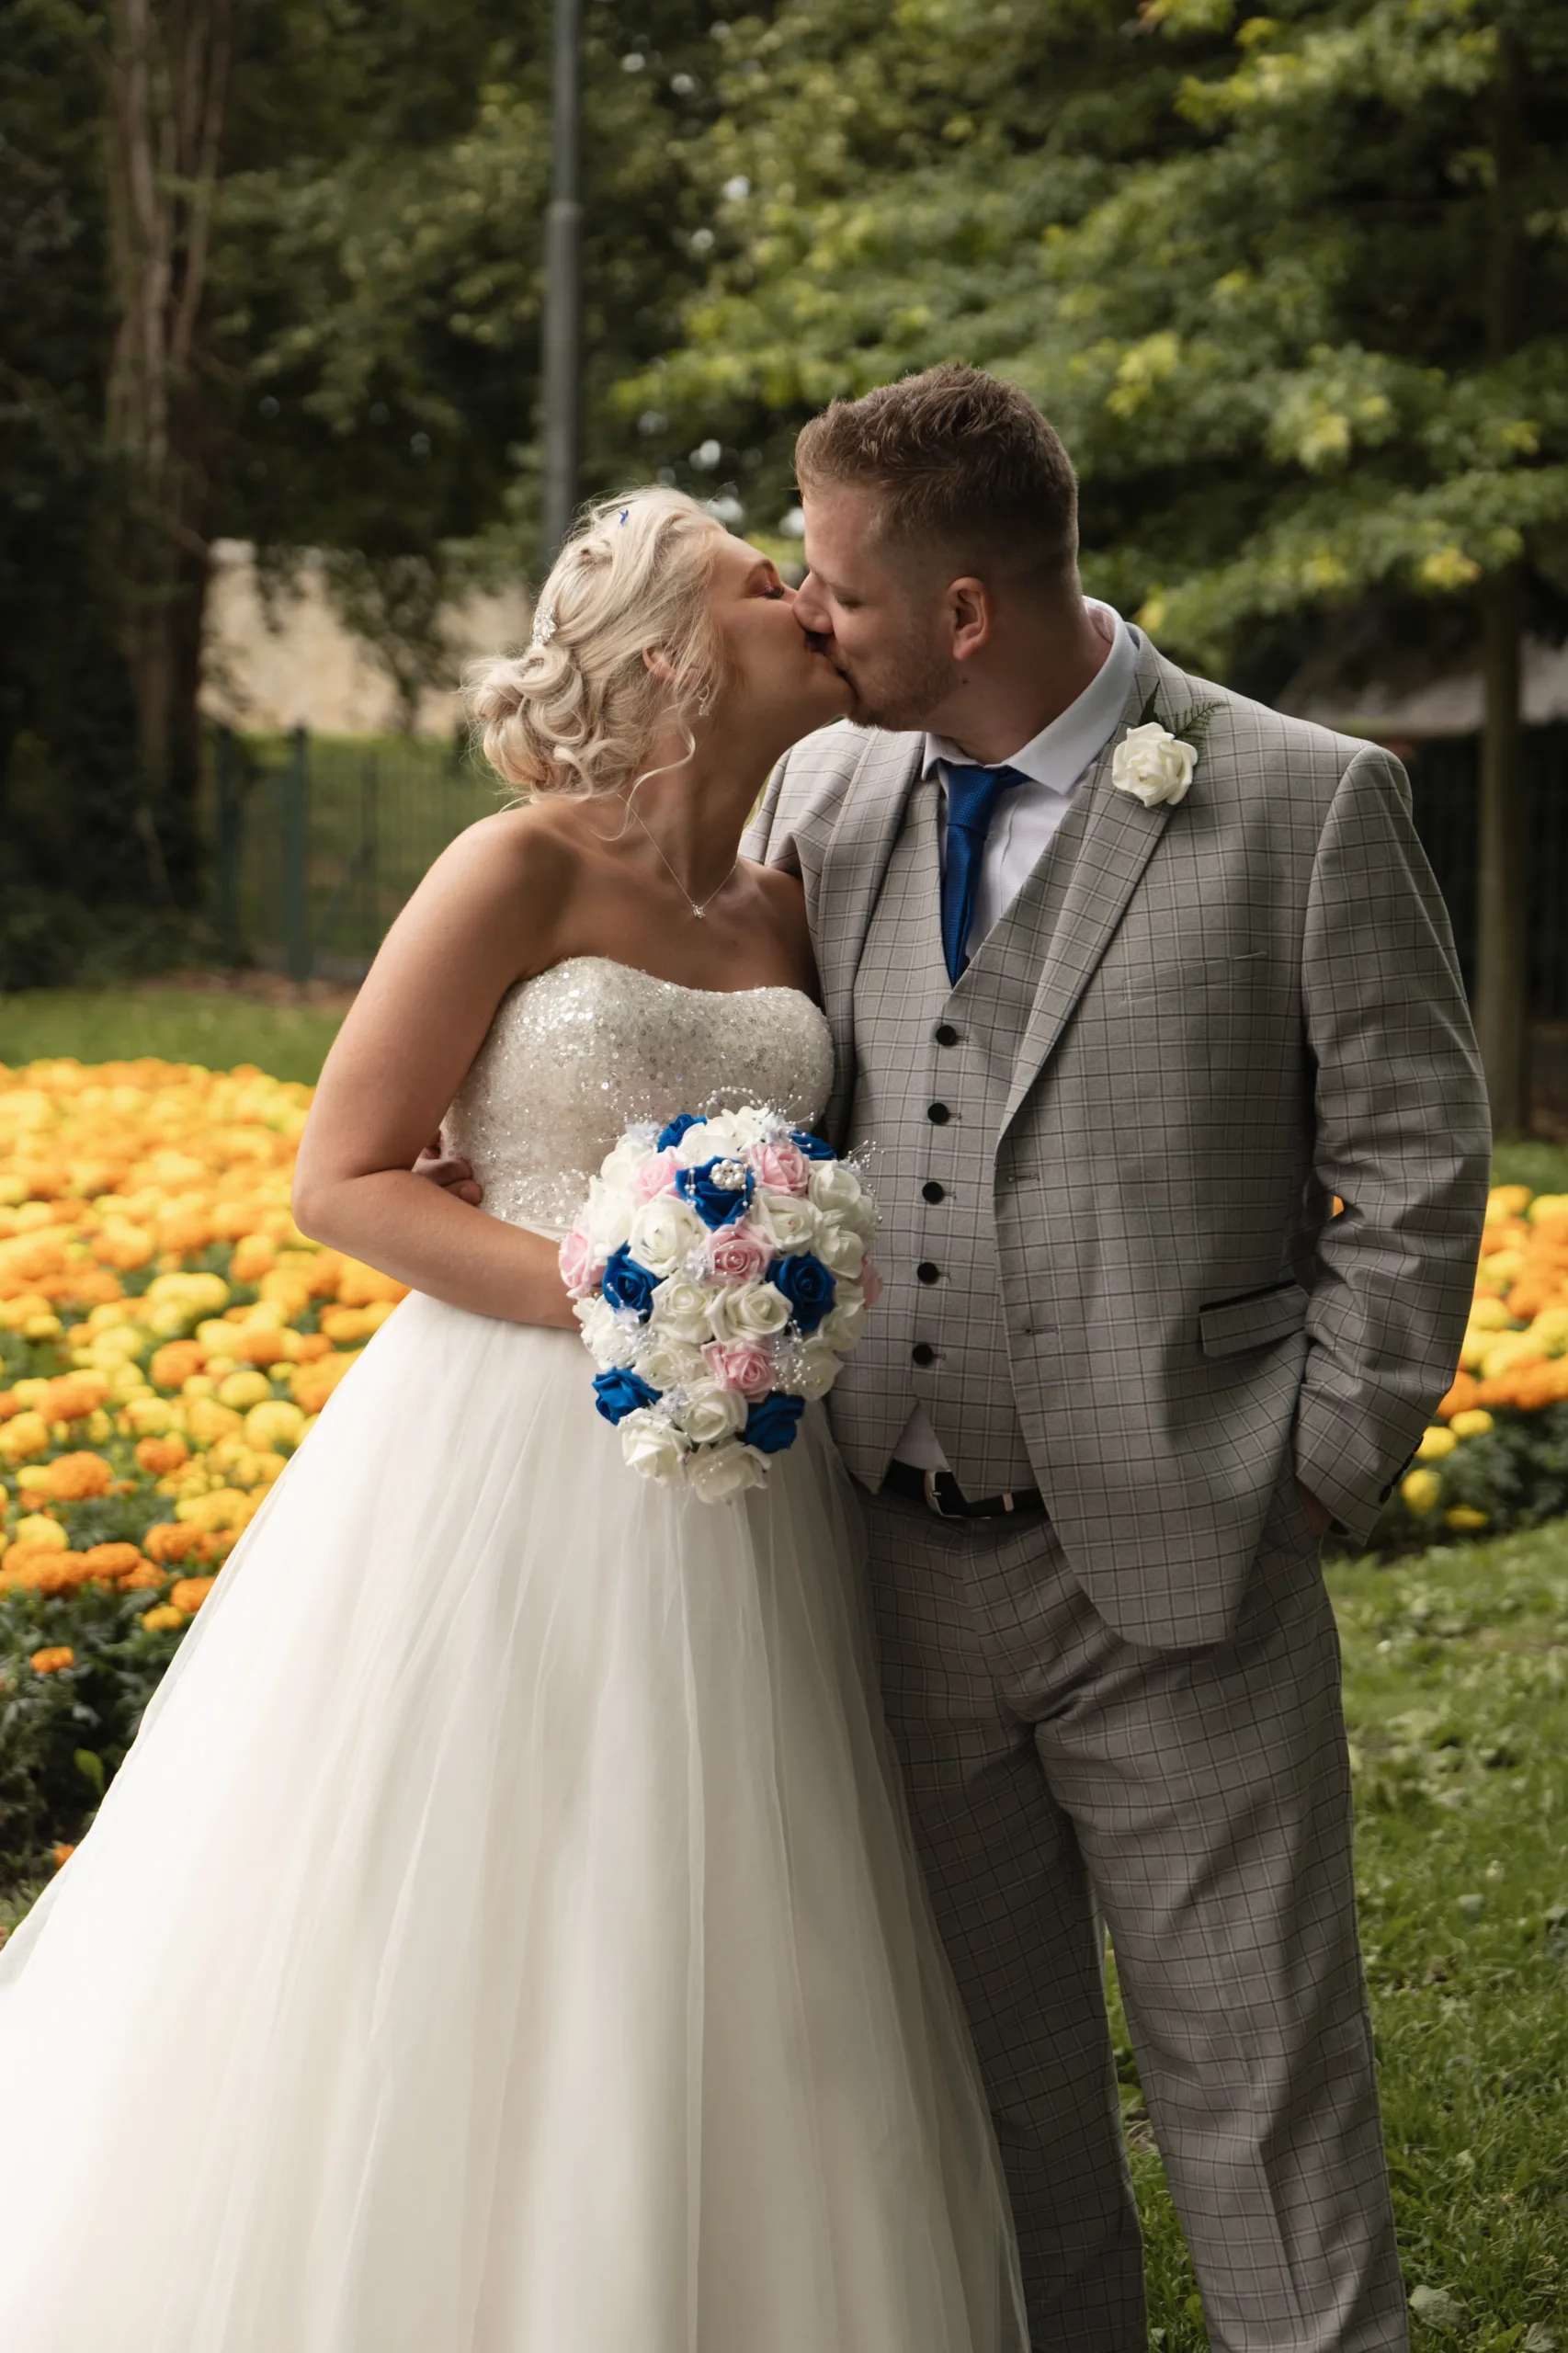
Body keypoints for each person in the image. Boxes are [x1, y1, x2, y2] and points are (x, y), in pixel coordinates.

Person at [431, 367, 1491, 2353]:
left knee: (1257, 2099)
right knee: (992, 2120)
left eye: (832, 582)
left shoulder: (1298, 793)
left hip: (1182, 1561)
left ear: (968, 610)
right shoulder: (824, 804)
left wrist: (1320, 1459)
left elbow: (1418, 1162)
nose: (814, 617)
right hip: (883, 1568)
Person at [0, 488, 1028, 2353]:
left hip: (745, 1486)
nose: (801, 597)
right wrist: (616, 1289)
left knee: (737, 1899)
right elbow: (346, 1176)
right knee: (473, 1882)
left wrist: (741, 1310)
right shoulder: (514, 869)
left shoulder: (791, 899)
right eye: (753, 577)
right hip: (504, 1450)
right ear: (664, 656)